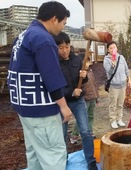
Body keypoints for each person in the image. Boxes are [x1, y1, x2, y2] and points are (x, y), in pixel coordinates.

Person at [7, 1, 72, 169]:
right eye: (63, 23)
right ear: (54, 19)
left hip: (24, 107)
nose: (62, 28)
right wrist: (64, 106)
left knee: (35, 152)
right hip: (41, 110)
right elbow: (51, 76)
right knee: (53, 155)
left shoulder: (24, 35)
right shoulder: (44, 39)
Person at [53, 32, 97, 170]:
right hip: (62, 102)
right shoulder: (53, 62)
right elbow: (55, 86)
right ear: (56, 48)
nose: (64, 50)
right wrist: (70, 92)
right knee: (62, 132)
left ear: (70, 46)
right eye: (61, 48)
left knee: (85, 131)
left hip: (78, 101)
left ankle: (90, 160)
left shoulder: (77, 60)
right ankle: (63, 159)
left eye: (66, 47)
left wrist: (84, 77)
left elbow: (83, 81)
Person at [103, 41, 131, 129]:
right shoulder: (106, 60)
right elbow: (109, 72)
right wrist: (112, 64)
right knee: (113, 104)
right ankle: (113, 120)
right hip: (113, 86)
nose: (113, 50)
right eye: (110, 48)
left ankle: (119, 119)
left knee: (120, 103)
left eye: (114, 47)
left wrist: (129, 79)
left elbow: (126, 69)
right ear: (108, 50)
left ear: (117, 48)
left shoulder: (121, 57)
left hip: (123, 85)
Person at [70, 62, 100, 143]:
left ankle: (90, 131)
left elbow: (95, 85)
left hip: (92, 98)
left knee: (90, 116)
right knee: (81, 118)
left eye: (88, 62)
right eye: (84, 62)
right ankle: (74, 135)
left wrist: (97, 97)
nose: (86, 64)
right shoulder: (79, 74)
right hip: (84, 99)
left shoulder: (90, 72)